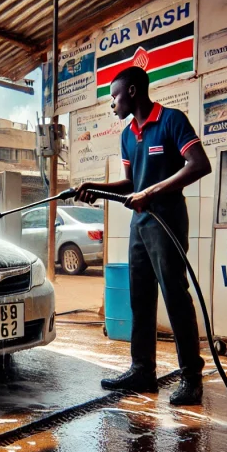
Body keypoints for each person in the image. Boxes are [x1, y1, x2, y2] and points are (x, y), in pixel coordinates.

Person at [76, 65, 212, 406]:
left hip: (167, 220)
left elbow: (198, 164)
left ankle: (191, 379)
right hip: (139, 225)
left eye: (115, 96)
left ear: (133, 91)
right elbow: (130, 184)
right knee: (141, 297)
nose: (113, 104)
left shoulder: (171, 120)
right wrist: (95, 187)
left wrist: (151, 193)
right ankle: (142, 371)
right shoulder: (127, 135)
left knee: (176, 297)